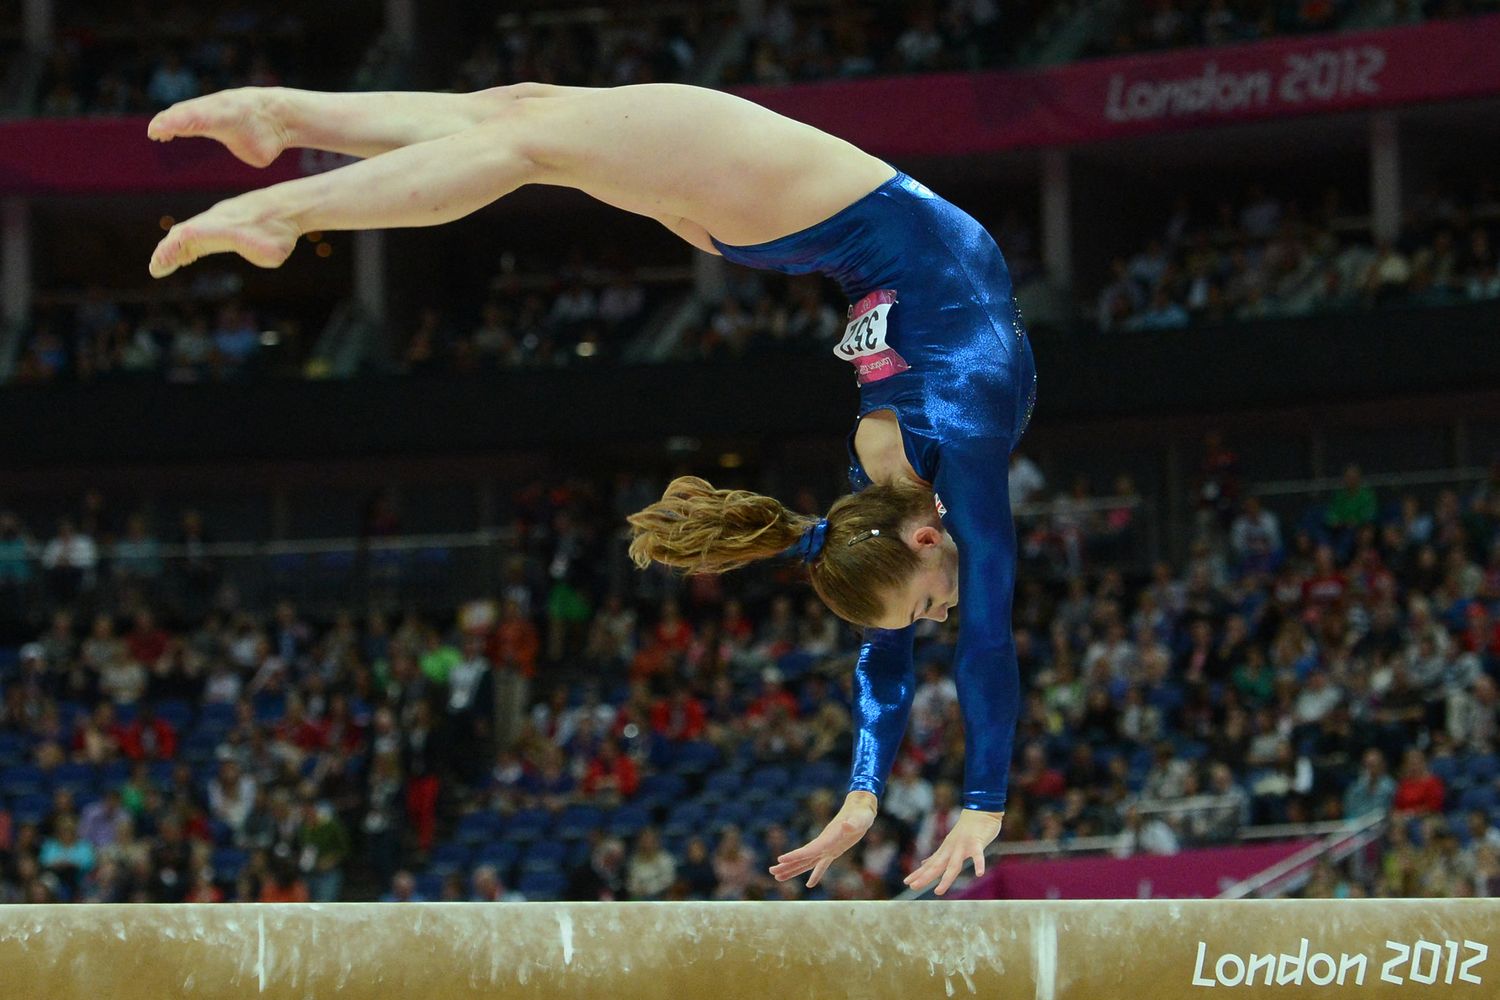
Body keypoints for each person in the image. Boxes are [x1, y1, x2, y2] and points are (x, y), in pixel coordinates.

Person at [146, 81, 1035, 896]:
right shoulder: (960, 439)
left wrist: (865, 794)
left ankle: (283, 185)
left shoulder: (891, 485)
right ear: (922, 540)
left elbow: (889, 651)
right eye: (931, 609)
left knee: (527, 136)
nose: (943, 616)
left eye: (929, 611)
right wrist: (975, 806)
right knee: (520, 121)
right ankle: (284, 149)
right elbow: (985, 640)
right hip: (790, 211)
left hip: (796, 205)